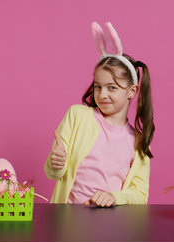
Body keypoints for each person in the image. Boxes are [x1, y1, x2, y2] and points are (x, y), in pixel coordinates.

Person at [44, 22, 155, 207]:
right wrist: (56, 163)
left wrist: (114, 197)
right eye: (98, 86)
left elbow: (140, 195)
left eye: (112, 87)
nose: (102, 94)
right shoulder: (77, 116)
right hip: (69, 222)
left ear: (132, 91)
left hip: (112, 228)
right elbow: (53, 173)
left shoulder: (138, 141)